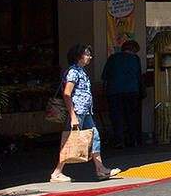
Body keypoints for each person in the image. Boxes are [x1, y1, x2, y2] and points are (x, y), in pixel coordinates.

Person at [51, 44, 120, 182]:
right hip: (77, 111)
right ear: (79, 57)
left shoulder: (81, 72)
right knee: (70, 141)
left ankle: (100, 168)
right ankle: (57, 172)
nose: (90, 57)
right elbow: (67, 93)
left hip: (85, 112)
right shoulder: (73, 72)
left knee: (94, 137)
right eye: (87, 54)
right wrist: (73, 116)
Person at [102, 39, 144, 149]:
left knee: (116, 116)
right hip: (131, 89)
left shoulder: (113, 58)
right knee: (131, 116)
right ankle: (132, 139)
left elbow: (105, 75)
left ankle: (119, 141)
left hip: (114, 90)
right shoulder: (135, 59)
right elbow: (138, 76)